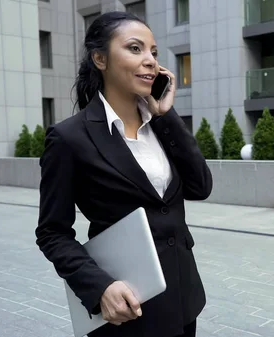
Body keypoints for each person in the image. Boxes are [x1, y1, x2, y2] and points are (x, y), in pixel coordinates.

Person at [35, 11, 212, 337]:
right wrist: (99, 287)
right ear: (100, 59)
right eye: (135, 49)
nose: (151, 61)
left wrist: (166, 115)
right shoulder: (69, 138)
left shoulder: (160, 126)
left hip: (184, 298)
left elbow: (201, 187)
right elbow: (52, 233)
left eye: (154, 53)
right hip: (127, 307)